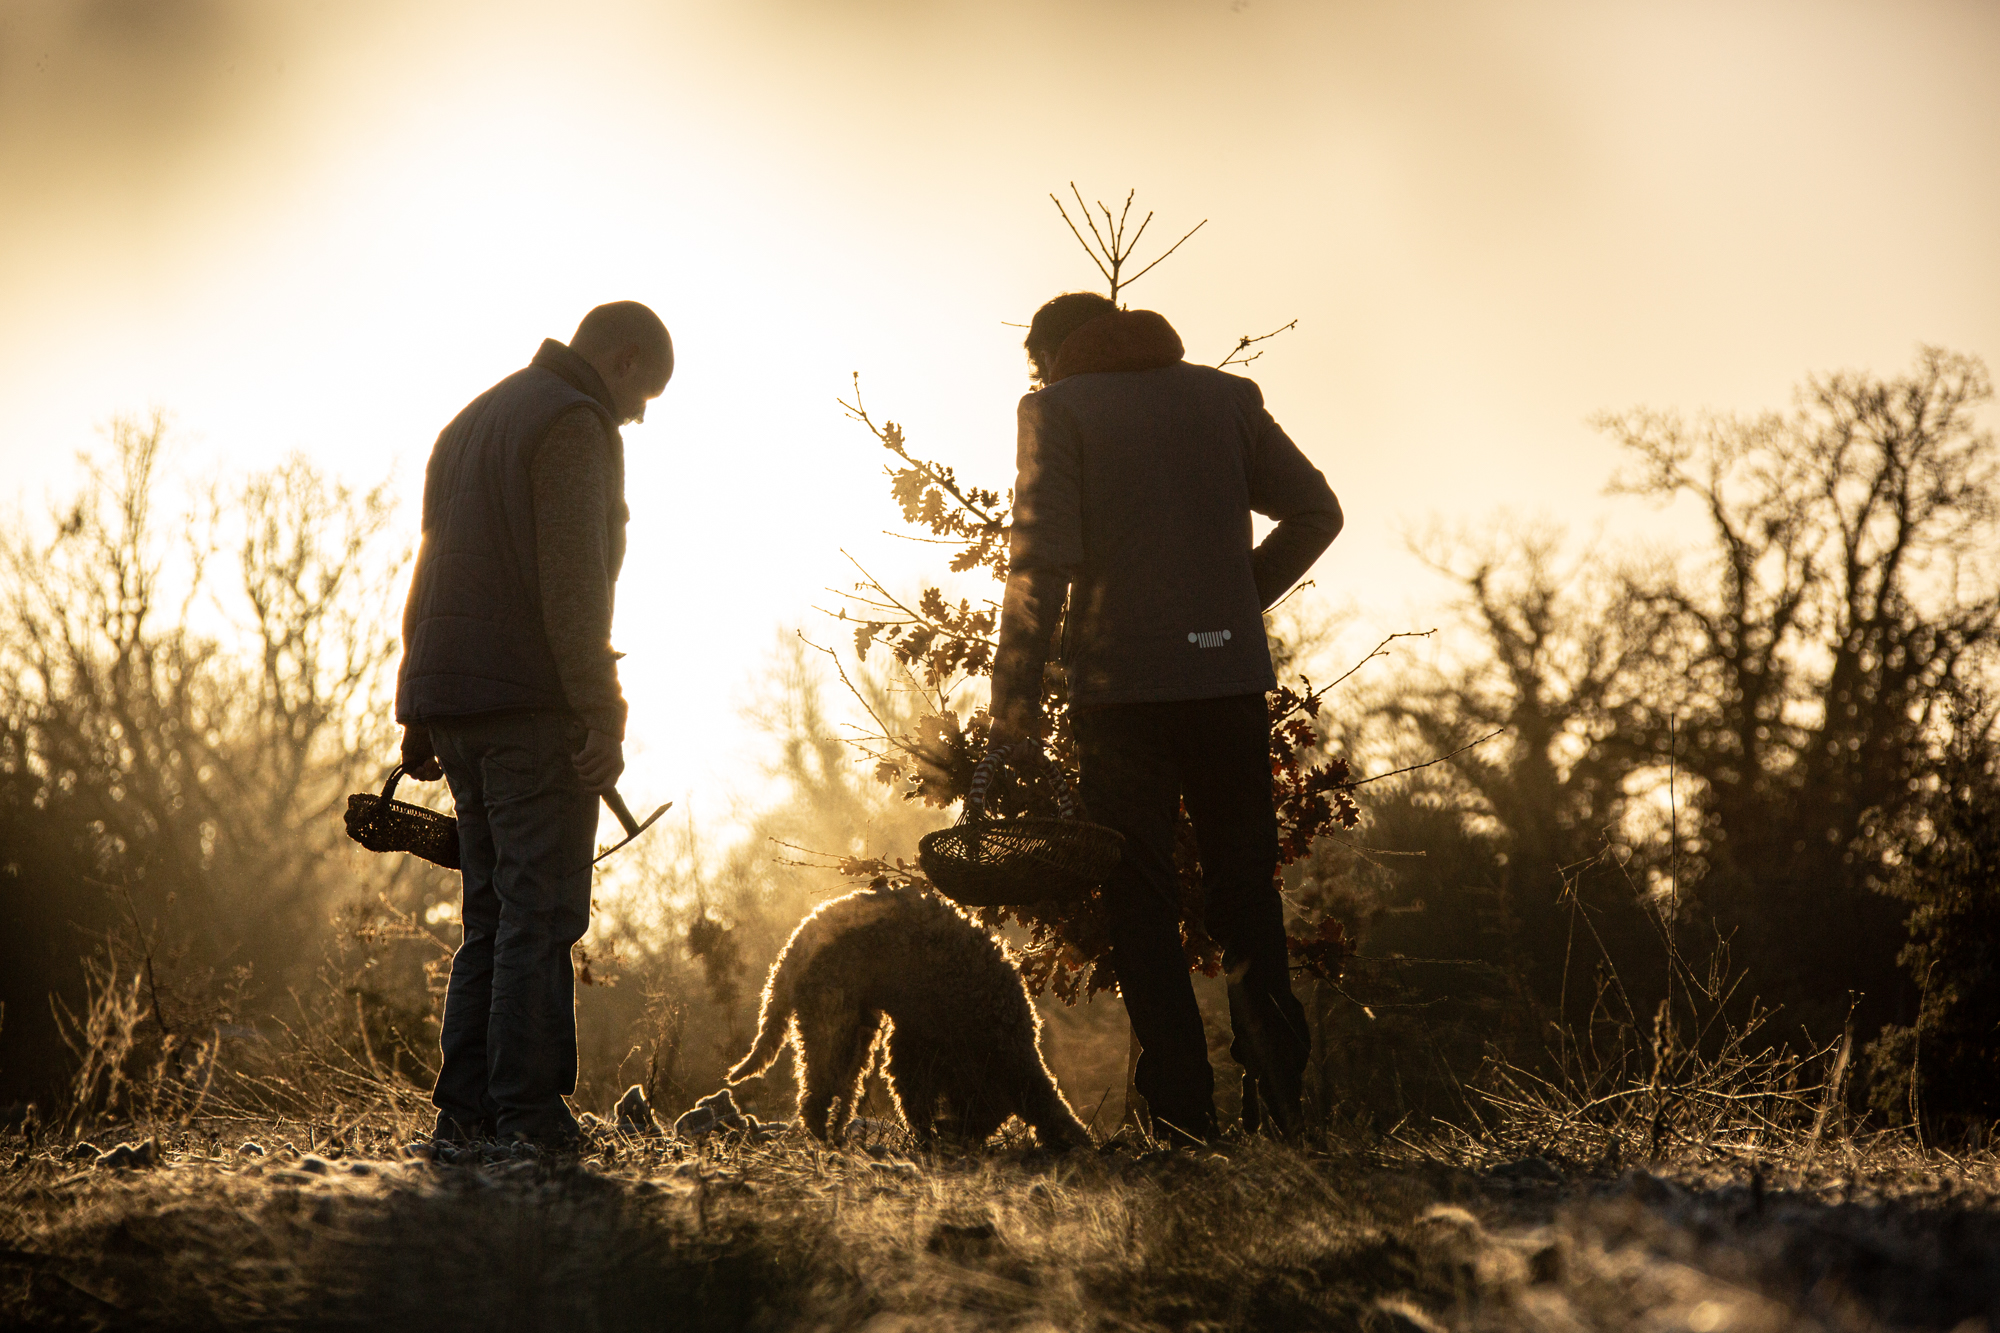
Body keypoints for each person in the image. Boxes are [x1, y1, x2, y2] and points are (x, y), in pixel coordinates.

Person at [988, 291, 1342, 1143]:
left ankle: (1182, 1118)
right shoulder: (1226, 397)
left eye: (1036, 360)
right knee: (1247, 897)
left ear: (1053, 350)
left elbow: (1041, 563)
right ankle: (1282, 1115)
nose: (1036, 374)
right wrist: (1233, 603)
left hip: (1123, 696)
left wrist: (1014, 702)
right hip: (1228, 687)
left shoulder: (1054, 409)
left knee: (1140, 902)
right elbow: (1317, 511)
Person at [395, 301, 674, 1147]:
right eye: (645, 393)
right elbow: (575, 583)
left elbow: (429, 569)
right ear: (621, 361)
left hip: (458, 704)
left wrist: (418, 706)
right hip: (529, 706)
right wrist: (602, 710)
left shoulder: (472, 420)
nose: (639, 414)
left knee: (491, 911)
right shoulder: (575, 423)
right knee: (541, 909)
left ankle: (467, 1113)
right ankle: (527, 1113)